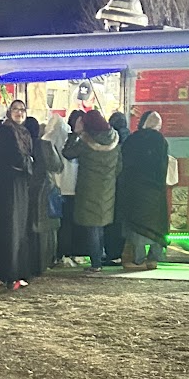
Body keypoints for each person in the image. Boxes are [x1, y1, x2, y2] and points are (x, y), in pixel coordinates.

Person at [63, 109, 121, 273]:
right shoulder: (114, 140)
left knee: (92, 227)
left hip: (89, 189)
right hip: (107, 189)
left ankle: (96, 263)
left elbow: (67, 153)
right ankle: (100, 256)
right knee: (100, 226)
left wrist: (75, 133)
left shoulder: (85, 142)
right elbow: (119, 167)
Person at [0, 99, 33, 289]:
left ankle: (7, 272)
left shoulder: (22, 131)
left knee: (14, 228)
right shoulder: (6, 132)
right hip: (9, 185)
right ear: (9, 111)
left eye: (22, 110)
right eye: (15, 109)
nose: (19, 113)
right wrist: (28, 162)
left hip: (16, 184)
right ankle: (10, 272)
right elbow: (15, 157)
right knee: (11, 228)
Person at [118, 109, 170, 269]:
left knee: (137, 225)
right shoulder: (160, 141)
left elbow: (124, 163)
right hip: (155, 190)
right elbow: (163, 166)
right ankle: (154, 257)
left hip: (135, 189)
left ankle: (138, 258)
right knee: (156, 224)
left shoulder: (133, 140)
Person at [26, 114, 62, 277]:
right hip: (45, 188)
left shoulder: (21, 145)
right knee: (46, 228)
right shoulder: (45, 145)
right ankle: (45, 262)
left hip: (26, 188)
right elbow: (57, 166)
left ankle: (30, 261)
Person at [51, 110, 82, 265]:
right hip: (69, 186)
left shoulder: (64, 137)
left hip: (66, 186)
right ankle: (66, 252)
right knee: (68, 222)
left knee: (67, 222)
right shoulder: (70, 139)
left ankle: (67, 252)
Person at [102, 112, 131, 265]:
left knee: (110, 221)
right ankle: (120, 252)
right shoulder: (131, 140)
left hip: (111, 185)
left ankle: (111, 253)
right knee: (121, 221)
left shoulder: (110, 140)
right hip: (127, 186)